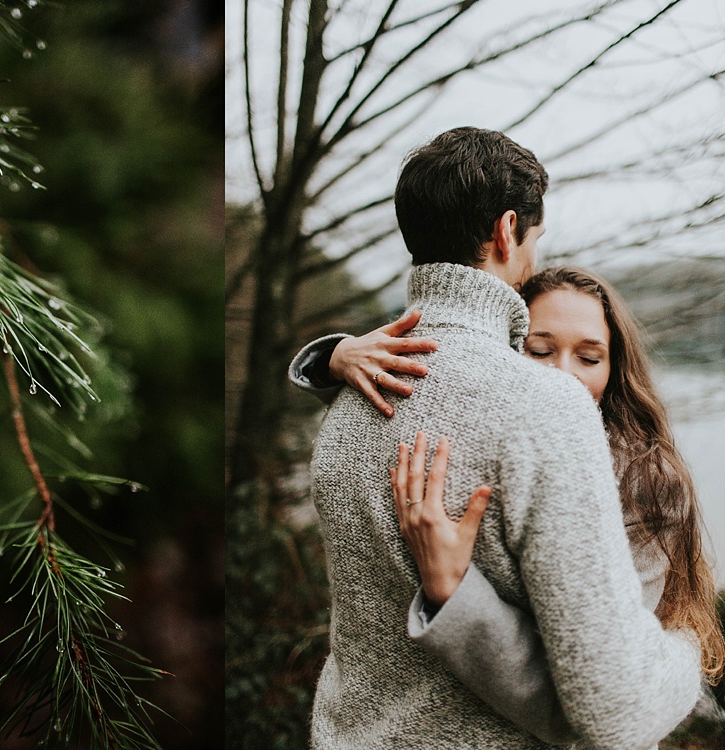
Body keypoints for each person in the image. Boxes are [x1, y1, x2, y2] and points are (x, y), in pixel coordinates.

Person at [300, 126, 702, 750]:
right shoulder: (543, 407)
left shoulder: (352, 398)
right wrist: (685, 652)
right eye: (534, 239)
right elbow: (616, 712)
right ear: (507, 231)